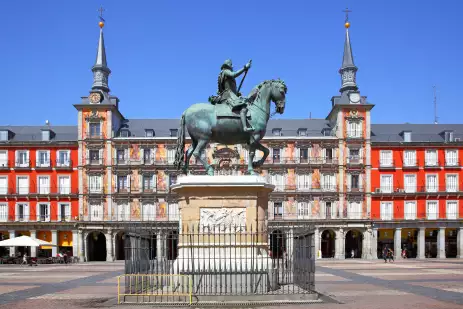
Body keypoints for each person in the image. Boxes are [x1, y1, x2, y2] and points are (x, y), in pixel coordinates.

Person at [211, 59, 254, 132]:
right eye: (231, 65)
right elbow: (234, 74)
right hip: (229, 95)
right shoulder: (226, 71)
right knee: (244, 107)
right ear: (228, 66)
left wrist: (237, 93)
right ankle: (245, 127)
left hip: (228, 94)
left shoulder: (223, 73)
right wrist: (244, 68)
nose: (232, 67)